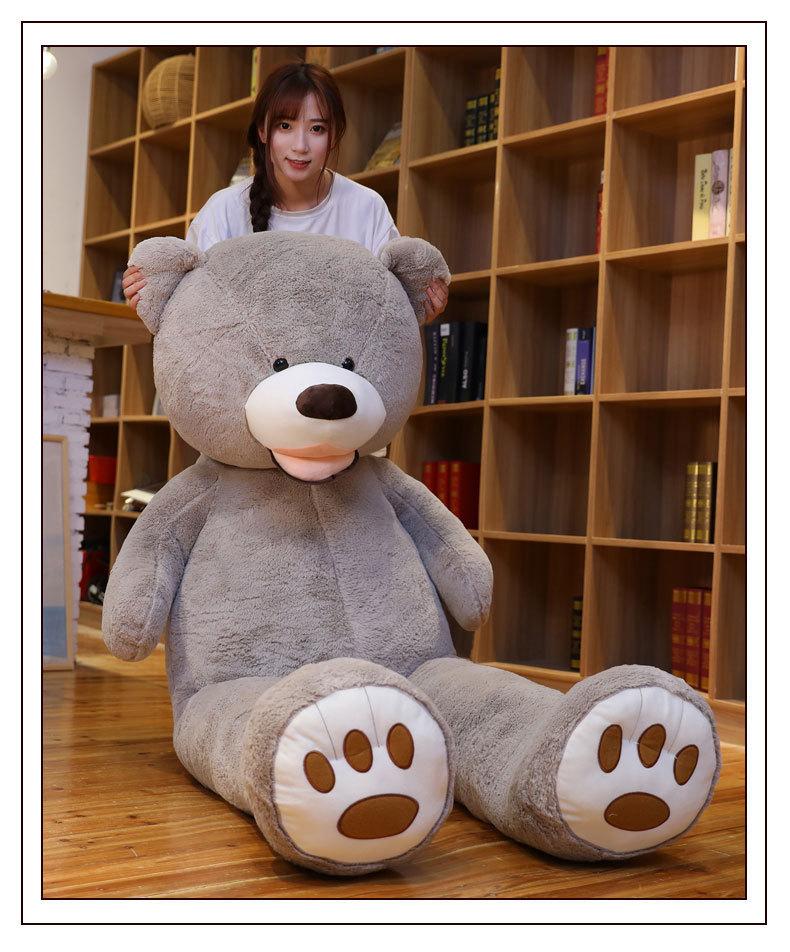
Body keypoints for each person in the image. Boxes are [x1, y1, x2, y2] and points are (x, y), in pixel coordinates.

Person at [123, 61, 449, 321]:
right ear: (263, 131)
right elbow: (194, 309)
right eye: (285, 126)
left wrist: (421, 304)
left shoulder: (366, 207)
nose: (300, 145)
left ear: (334, 135)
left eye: (316, 128)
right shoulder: (224, 210)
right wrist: (151, 291)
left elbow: (388, 309)